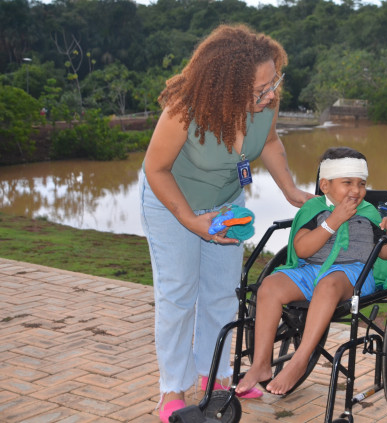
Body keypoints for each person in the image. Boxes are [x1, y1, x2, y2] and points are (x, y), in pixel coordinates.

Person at [139, 24, 312, 422]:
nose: (271, 94)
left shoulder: (267, 103)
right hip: (173, 204)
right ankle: (172, 391)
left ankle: (216, 378)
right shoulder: (186, 107)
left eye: (274, 82)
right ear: (226, 87)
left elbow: (269, 143)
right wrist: (191, 221)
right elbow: (156, 167)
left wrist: (288, 188)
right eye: (260, 90)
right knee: (179, 295)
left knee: (221, 293)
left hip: (226, 204)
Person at [236, 146, 387, 396]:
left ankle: (300, 359)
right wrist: (333, 220)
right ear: (325, 185)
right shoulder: (313, 211)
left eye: (361, 183)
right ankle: (261, 363)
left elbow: (384, 254)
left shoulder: (369, 214)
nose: (356, 190)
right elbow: (302, 249)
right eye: (347, 182)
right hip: (310, 270)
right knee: (269, 286)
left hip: (353, 275)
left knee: (328, 284)